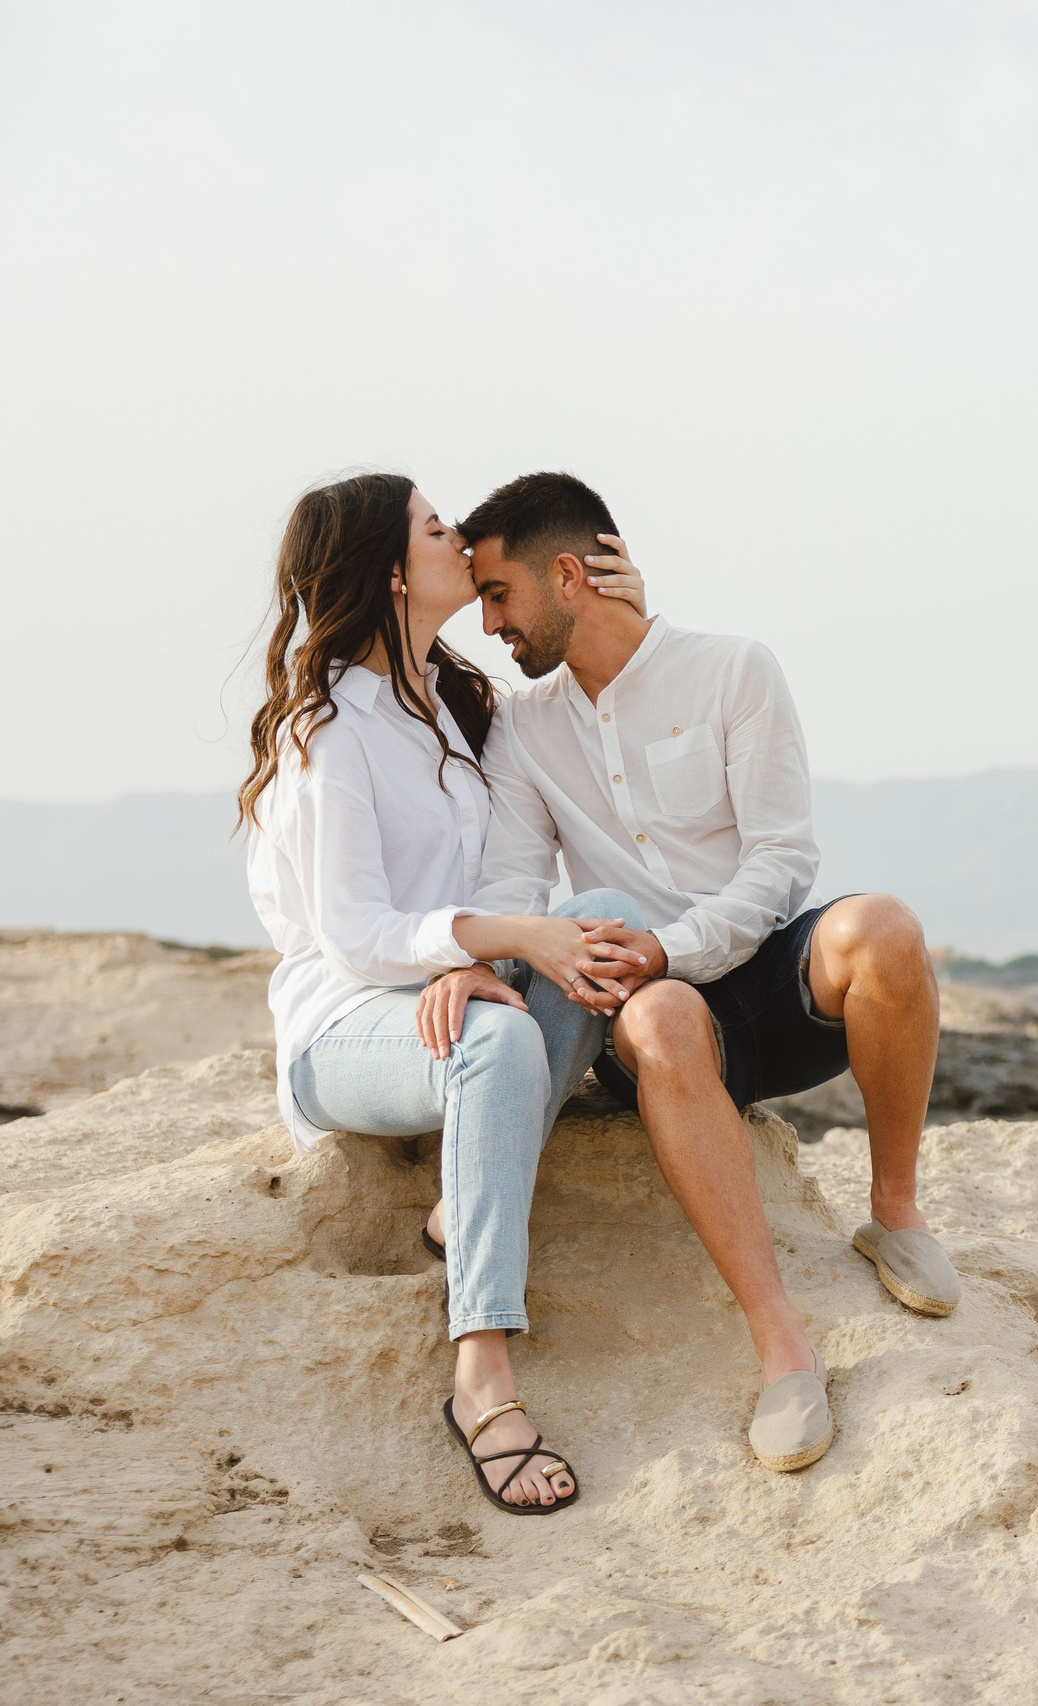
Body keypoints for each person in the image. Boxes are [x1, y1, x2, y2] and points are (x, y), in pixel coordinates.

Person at [455, 470, 951, 1477]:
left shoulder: (732, 670)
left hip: (762, 966)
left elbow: (781, 858)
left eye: (499, 596)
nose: (489, 623)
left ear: (566, 575)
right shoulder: (523, 728)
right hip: (659, 1018)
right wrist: (525, 952)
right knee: (664, 1017)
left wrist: (677, 942)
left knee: (887, 927)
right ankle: (783, 1347)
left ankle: (894, 1211)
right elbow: (511, 881)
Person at [240, 472, 653, 1515]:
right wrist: (481, 949)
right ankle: (482, 1378)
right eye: (436, 526)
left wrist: (621, 617)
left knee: (598, 910)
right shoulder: (327, 732)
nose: (461, 535)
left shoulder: (460, 705)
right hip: (342, 1020)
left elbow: (587, 708)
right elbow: (355, 934)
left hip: (445, 990)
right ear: (389, 568)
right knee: (500, 1043)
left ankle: (458, 1201)